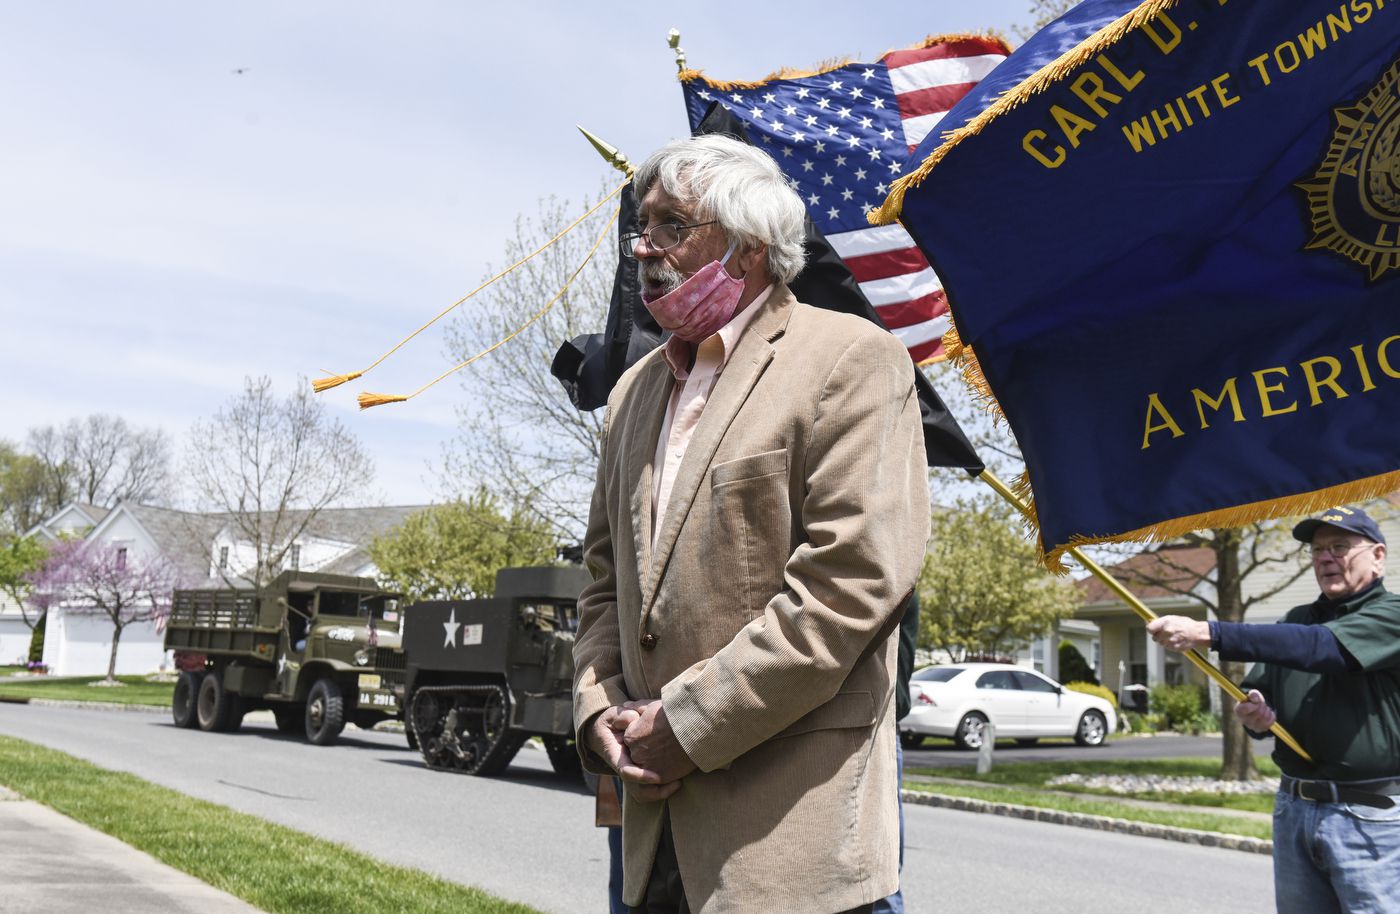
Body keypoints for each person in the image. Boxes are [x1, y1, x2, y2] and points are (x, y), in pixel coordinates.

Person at [572, 134, 930, 914]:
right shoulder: (635, 391)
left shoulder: (852, 360)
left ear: (748, 246)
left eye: (672, 226)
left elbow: (849, 588)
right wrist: (596, 705)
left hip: (787, 850)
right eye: (642, 227)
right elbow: (605, 584)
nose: (643, 249)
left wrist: (689, 724)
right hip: (647, 840)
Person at [1148, 505, 1400, 914]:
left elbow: (1324, 648)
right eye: (1317, 550)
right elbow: (1257, 692)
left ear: (1378, 556)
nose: (1325, 558)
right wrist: (1254, 717)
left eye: (1339, 546)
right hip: (1294, 808)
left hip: (1369, 817)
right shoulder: (1294, 622)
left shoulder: (1391, 616)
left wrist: (1206, 632)